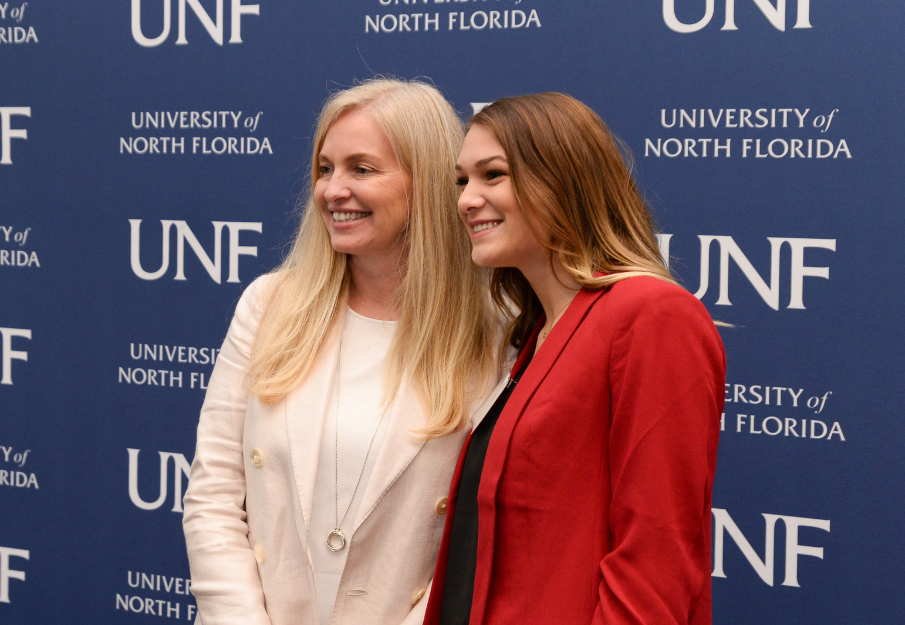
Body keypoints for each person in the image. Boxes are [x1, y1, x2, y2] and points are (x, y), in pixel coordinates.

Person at [182, 78, 505, 625]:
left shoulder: (499, 331)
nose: (332, 190)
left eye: (362, 169)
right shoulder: (269, 305)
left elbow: (487, 542)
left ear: (426, 182)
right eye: (325, 168)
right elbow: (213, 496)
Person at [423, 93, 726, 625]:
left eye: (493, 175)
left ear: (565, 180)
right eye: (461, 181)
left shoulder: (652, 315)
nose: (467, 200)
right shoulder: (536, 332)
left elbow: (655, 562)